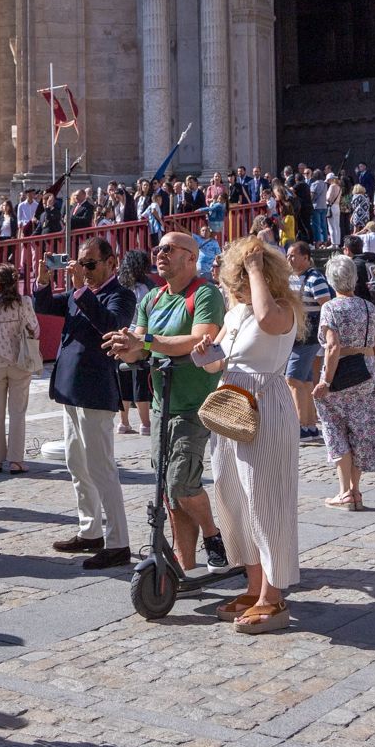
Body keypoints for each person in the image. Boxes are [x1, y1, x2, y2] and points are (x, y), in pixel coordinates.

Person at [193, 239, 304, 632]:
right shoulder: (238, 310)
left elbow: (267, 319)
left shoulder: (282, 309)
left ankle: (273, 597)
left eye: (237, 279)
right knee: (233, 498)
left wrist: (256, 267)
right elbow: (216, 364)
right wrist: (205, 351)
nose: (233, 288)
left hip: (266, 406)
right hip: (231, 405)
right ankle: (254, 583)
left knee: (266, 500)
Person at [101, 231, 228, 573]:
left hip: (195, 404)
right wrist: (124, 344)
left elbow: (201, 338)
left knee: (180, 482)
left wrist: (148, 341)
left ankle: (213, 535)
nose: (159, 254)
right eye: (158, 248)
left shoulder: (205, 293)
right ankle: (186, 568)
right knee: (168, 492)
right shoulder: (152, 299)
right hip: (161, 404)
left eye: (169, 249)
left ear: (190, 257)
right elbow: (139, 345)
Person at [33, 239, 137, 571]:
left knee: (101, 467)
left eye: (90, 264)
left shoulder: (121, 295)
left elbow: (109, 324)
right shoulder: (81, 295)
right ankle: (89, 530)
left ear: (111, 262)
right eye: (80, 263)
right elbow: (46, 305)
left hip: (95, 390)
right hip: (71, 388)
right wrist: (43, 279)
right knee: (77, 464)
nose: (84, 270)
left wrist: (81, 290)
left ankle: (118, 541)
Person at [312, 255, 375, 511]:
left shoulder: (331, 308)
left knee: (335, 429)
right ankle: (355, 491)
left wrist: (326, 380)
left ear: (332, 280)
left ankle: (344, 491)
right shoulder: (369, 308)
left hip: (340, 370)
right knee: (360, 429)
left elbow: (333, 347)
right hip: (366, 370)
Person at [0, 264, 38, 474]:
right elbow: (35, 328)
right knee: (17, 413)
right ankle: (15, 460)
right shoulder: (24, 302)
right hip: (19, 360)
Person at [285, 242, 331, 442]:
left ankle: (301, 427)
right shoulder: (292, 278)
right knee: (304, 381)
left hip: (308, 337)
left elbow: (327, 307)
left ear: (306, 257)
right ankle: (310, 427)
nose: (289, 259)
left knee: (293, 380)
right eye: (288, 255)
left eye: (293, 255)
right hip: (296, 336)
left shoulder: (315, 279)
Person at [115, 250, 155, 436]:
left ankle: (123, 423)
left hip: (120, 336)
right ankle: (145, 424)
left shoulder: (119, 286)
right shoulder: (148, 288)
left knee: (122, 379)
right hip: (141, 337)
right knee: (141, 377)